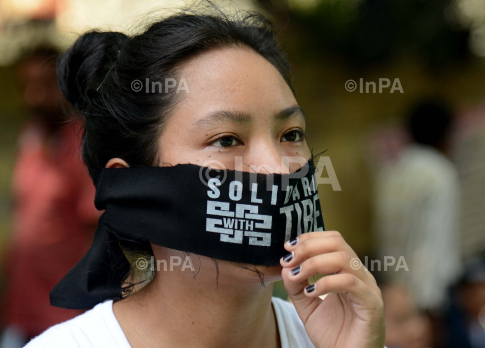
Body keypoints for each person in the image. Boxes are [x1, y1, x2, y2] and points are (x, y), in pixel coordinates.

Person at [24, 2, 386, 348]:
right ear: (132, 189)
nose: (279, 168)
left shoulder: (344, 339)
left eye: (291, 135)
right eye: (227, 140)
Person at [0, 47, 100, 346]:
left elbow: (96, 232)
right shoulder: (31, 138)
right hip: (21, 309)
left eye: (44, 85)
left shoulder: (83, 146)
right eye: (28, 86)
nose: (34, 96)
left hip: (63, 315)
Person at [374, 98, 461, 312]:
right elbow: (434, 240)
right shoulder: (440, 172)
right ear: (445, 134)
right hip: (430, 297)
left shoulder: (391, 172)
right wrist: (430, 306)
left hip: (395, 291)